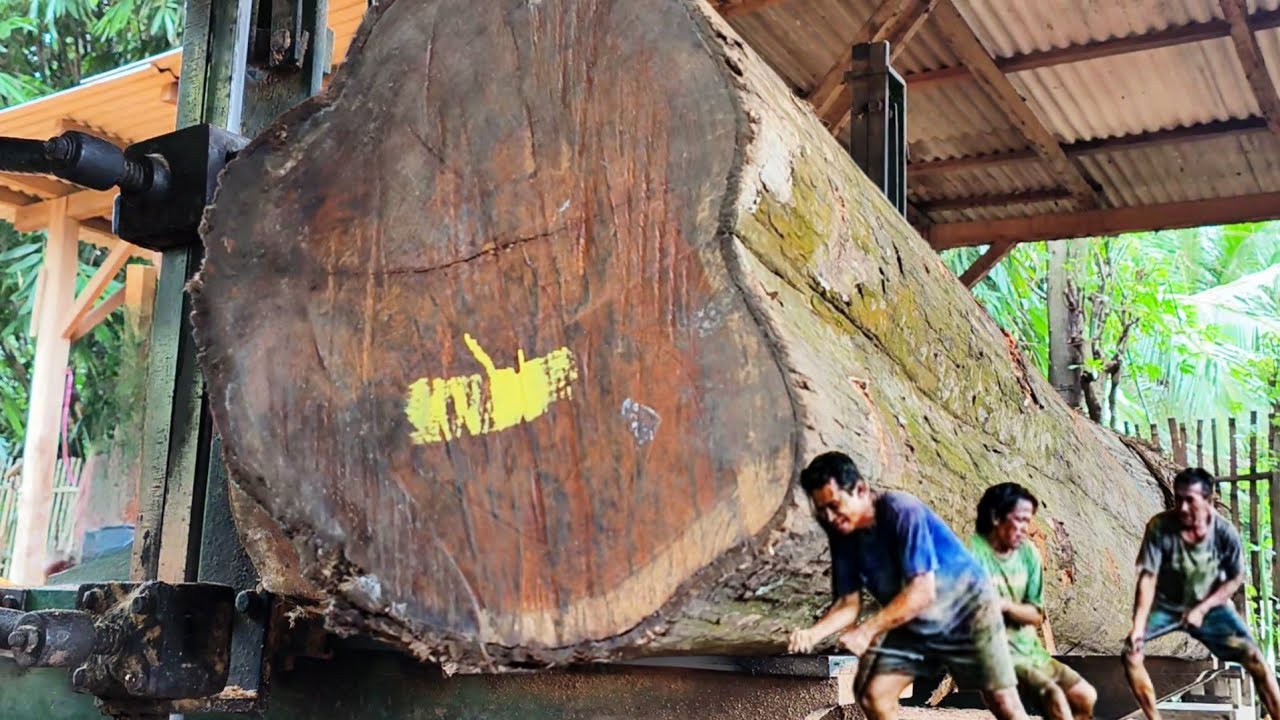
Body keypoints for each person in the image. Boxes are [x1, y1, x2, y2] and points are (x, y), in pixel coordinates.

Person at [787, 451, 1029, 720]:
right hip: (919, 622)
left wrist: (868, 630)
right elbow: (847, 604)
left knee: (1001, 700)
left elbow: (922, 592)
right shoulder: (843, 533)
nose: (830, 517)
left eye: (834, 505)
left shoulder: (901, 510)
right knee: (875, 696)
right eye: (822, 510)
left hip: (969, 609)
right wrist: (813, 633)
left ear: (860, 489)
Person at [1124, 467, 1280, 720]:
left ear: (1208, 500)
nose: (1183, 508)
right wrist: (1139, 625)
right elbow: (1147, 578)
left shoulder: (1224, 532)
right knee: (1131, 655)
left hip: (1213, 606)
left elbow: (1232, 581)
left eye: (1191, 501)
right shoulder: (1158, 526)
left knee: (1257, 661)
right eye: (1179, 499)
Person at [969, 483, 1096, 720]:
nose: (1024, 528)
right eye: (1018, 520)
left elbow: (1035, 614)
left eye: (1028, 521)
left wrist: (1006, 606)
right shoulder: (974, 553)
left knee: (1084, 695)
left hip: (1026, 650)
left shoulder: (1029, 555)